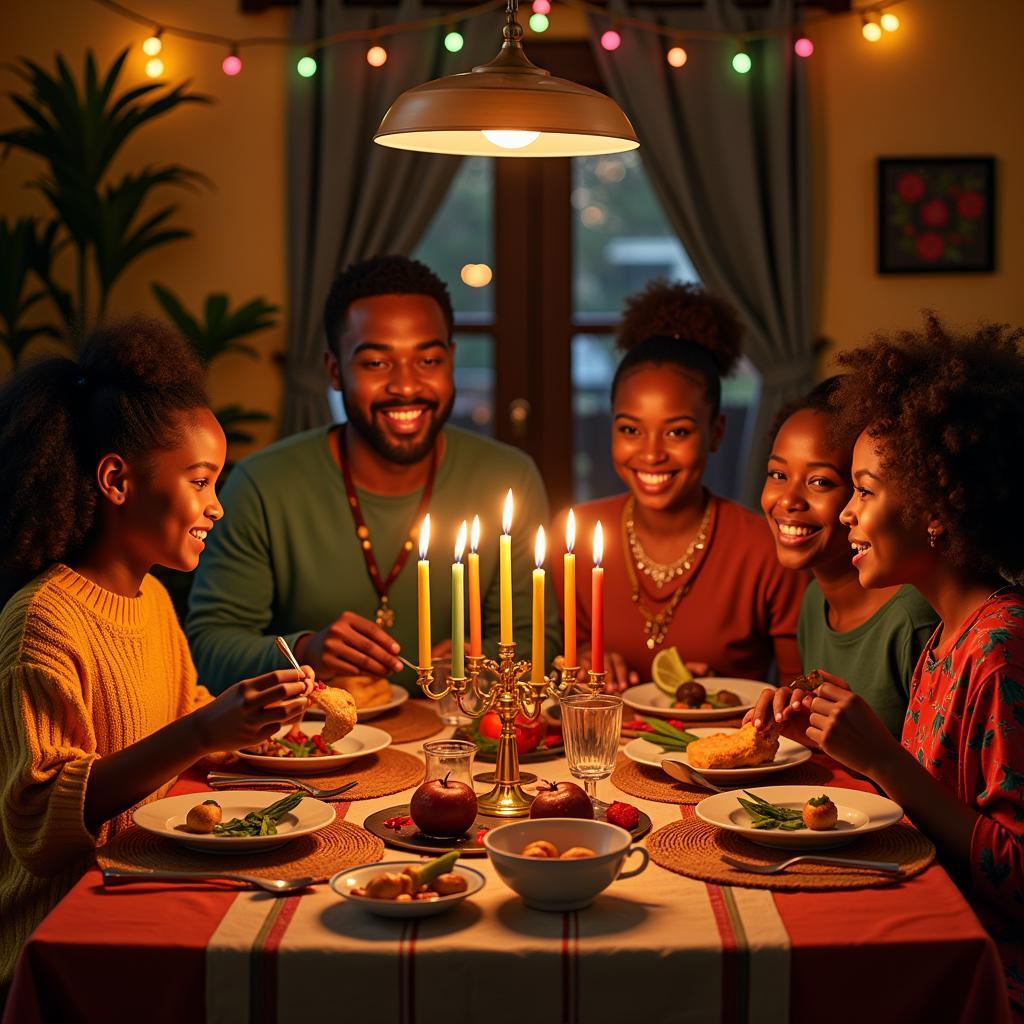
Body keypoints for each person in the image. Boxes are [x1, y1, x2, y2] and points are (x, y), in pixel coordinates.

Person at [0, 318, 314, 998]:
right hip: (61, 940)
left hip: (140, 886)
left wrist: (262, 714)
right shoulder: (43, 622)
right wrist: (204, 731)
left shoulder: (150, 601)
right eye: (202, 482)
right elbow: (37, 825)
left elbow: (183, 725)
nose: (217, 508)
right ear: (116, 480)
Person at [747, 315, 1024, 1016]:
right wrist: (826, 729)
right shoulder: (948, 639)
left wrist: (884, 763)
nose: (846, 514)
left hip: (980, 968)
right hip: (933, 921)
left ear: (933, 509)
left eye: (863, 491)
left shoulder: (1000, 648)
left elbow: (1017, 874)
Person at [187, 255, 557, 694]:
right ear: (334, 370)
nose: (406, 385)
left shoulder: (508, 478)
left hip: (461, 739)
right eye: (376, 364)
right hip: (318, 748)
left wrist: (471, 663)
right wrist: (305, 651)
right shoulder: (264, 484)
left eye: (429, 361)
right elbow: (207, 650)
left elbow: (536, 641)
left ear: (452, 361)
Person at [553, 280, 806, 690]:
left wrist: (720, 696)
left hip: (723, 748)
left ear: (716, 432)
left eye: (677, 432)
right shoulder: (574, 536)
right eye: (631, 429)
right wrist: (579, 661)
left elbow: (801, 695)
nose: (651, 455)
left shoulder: (766, 547)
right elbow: (555, 664)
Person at [760, 377, 938, 735]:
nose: (789, 500)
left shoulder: (914, 619)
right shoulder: (814, 603)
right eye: (778, 474)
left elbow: (937, 779)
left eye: (821, 482)